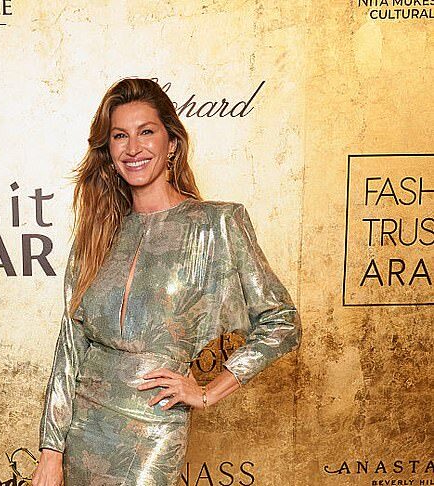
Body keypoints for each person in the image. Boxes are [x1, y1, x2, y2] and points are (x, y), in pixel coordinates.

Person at [32, 77, 302, 486]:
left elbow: (282, 322)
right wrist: (51, 451)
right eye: (120, 136)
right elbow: (71, 346)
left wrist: (207, 392)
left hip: (154, 427)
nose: (133, 148)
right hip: (83, 428)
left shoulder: (217, 224)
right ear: (109, 151)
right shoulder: (97, 233)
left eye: (146, 132)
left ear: (171, 143)